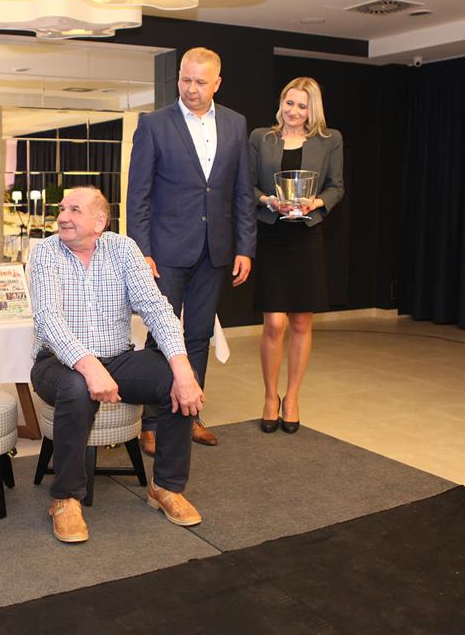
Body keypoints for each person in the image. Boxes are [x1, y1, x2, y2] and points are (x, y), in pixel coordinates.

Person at [29, 187, 204, 543]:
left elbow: (156, 308)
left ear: (99, 221)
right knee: (77, 387)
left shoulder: (123, 249)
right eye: (62, 209)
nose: (62, 217)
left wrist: (183, 367)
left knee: (177, 378)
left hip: (118, 357)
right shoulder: (45, 252)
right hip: (56, 362)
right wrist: (89, 365)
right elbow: (49, 318)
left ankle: (166, 486)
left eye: (74, 210)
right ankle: (66, 499)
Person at [127, 47, 256, 452]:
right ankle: (151, 421)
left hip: (214, 250)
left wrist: (245, 247)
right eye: (185, 79)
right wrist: (141, 251)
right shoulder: (154, 124)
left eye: (201, 81)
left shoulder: (235, 124)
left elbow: (242, 192)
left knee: (199, 336)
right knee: (161, 336)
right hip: (165, 252)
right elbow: (137, 195)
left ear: (217, 83)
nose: (191, 88)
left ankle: (189, 416)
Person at [250, 77, 344, 433]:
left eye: (302, 106)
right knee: (274, 323)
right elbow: (247, 185)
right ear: (281, 103)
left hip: (307, 236)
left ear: (312, 110)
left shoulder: (330, 140)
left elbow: (336, 187)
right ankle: (269, 396)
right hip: (272, 235)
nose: (293, 111)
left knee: (302, 322)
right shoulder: (262, 138)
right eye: (289, 103)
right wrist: (267, 200)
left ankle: (292, 398)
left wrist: (315, 202)